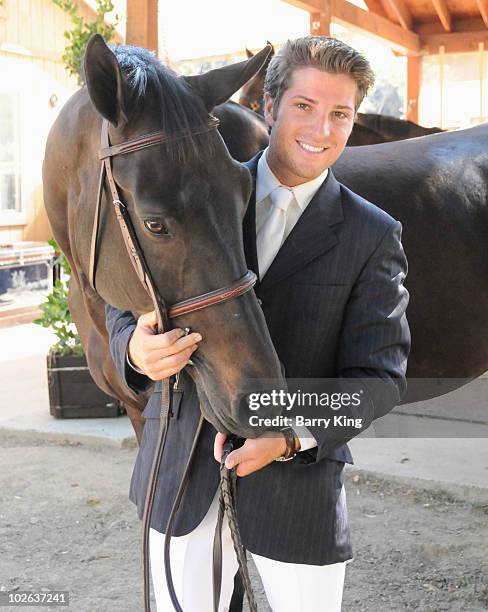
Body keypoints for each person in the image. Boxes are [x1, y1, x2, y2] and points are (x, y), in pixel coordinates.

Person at [105, 36, 410, 611]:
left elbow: (381, 379)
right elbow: (122, 304)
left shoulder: (374, 236)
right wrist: (134, 350)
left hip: (297, 497)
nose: (321, 129)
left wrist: (289, 434)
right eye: (304, 106)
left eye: (339, 114)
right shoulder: (191, 193)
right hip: (181, 477)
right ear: (269, 107)